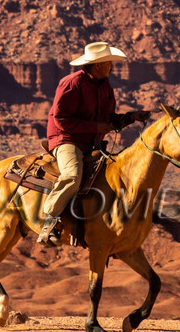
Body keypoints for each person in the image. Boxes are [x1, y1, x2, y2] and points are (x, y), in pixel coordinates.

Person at [38, 41, 149, 246]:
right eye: (109, 62)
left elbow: (109, 119)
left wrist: (132, 117)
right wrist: (95, 128)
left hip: (91, 141)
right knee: (72, 175)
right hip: (67, 139)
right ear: (96, 65)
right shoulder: (72, 83)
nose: (112, 66)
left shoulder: (105, 86)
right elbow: (61, 120)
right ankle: (50, 222)